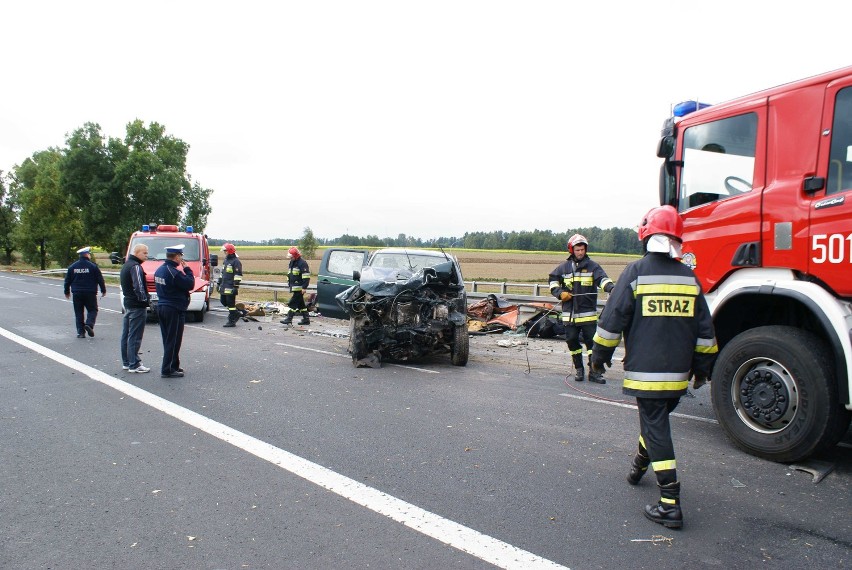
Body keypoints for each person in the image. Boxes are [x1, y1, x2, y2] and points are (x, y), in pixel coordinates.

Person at [590, 205, 718, 529]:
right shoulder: (690, 278)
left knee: (656, 426)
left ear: (645, 235)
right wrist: (703, 369)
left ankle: (670, 503)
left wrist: (598, 358)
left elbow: (611, 320)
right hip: (678, 377)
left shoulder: (635, 272)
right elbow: (706, 332)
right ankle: (638, 466)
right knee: (656, 422)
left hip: (646, 375)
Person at [548, 234, 614, 383]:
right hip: (569, 315)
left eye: (582, 249)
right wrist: (560, 293)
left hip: (587, 315)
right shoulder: (563, 267)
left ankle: (594, 372)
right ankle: (579, 369)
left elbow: (602, 279)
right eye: (577, 249)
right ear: (571, 250)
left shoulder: (593, 266)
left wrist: (611, 288)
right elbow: (552, 281)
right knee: (571, 341)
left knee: (592, 344)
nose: (580, 252)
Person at [154, 244, 195, 378]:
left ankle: (173, 365)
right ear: (177, 257)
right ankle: (167, 369)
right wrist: (188, 269)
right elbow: (189, 284)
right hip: (173, 308)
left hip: (163, 306)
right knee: (174, 339)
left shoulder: (160, 270)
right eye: (181, 256)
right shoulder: (173, 272)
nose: (181, 259)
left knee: (168, 338)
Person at [64, 246, 107, 338]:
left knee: (79, 312)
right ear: (87, 254)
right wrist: (103, 290)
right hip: (90, 292)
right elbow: (100, 279)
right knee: (92, 310)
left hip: (77, 293)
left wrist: (66, 291)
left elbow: (67, 281)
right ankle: (89, 324)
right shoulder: (93, 266)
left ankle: (81, 333)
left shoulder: (72, 267)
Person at [120, 244, 150, 373]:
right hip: (137, 305)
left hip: (128, 303)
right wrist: (145, 300)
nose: (146, 256)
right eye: (144, 253)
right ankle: (134, 364)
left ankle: (127, 362)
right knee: (135, 335)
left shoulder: (126, 265)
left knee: (126, 334)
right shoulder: (136, 267)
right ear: (137, 253)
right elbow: (139, 287)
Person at [280, 246, 310, 326]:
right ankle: (306, 319)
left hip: (299, 288)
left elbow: (306, 276)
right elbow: (290, 274)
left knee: (293, 303)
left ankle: (289, 319)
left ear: (295, 255)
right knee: (301, 304)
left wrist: (304, 287)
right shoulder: (292, 262)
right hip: (294, 287)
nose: (290, 258)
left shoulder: (302, 263)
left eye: (291, 256)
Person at [218, 243, 243, 327]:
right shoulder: (226, 260)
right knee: (223, 301)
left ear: (230, 251)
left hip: (231, 286)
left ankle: (232, 320)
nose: (224, 253)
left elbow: (238, 275)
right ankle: (236, 313)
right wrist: (219, 283)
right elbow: (222, 273)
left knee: (230, 303)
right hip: (224, 285)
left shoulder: (236, 262)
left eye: (225, 251)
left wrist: (235, 286)